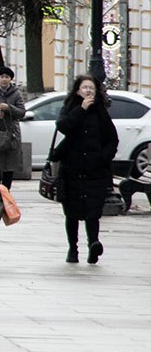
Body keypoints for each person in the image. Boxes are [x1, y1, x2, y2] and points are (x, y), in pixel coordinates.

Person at [55, 74, 118, 264]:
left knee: (93, 212)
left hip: (94, 171)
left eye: (91, 88)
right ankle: (72, 249)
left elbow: (112, 139)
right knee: (72, 212)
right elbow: (63, 127)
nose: (88, 91)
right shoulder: (70, 109)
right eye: (85, 88)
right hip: (72, 169)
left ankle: (93, 244)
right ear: (77, 91)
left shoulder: (100, 112)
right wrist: (80, 110)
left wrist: (102, 157)